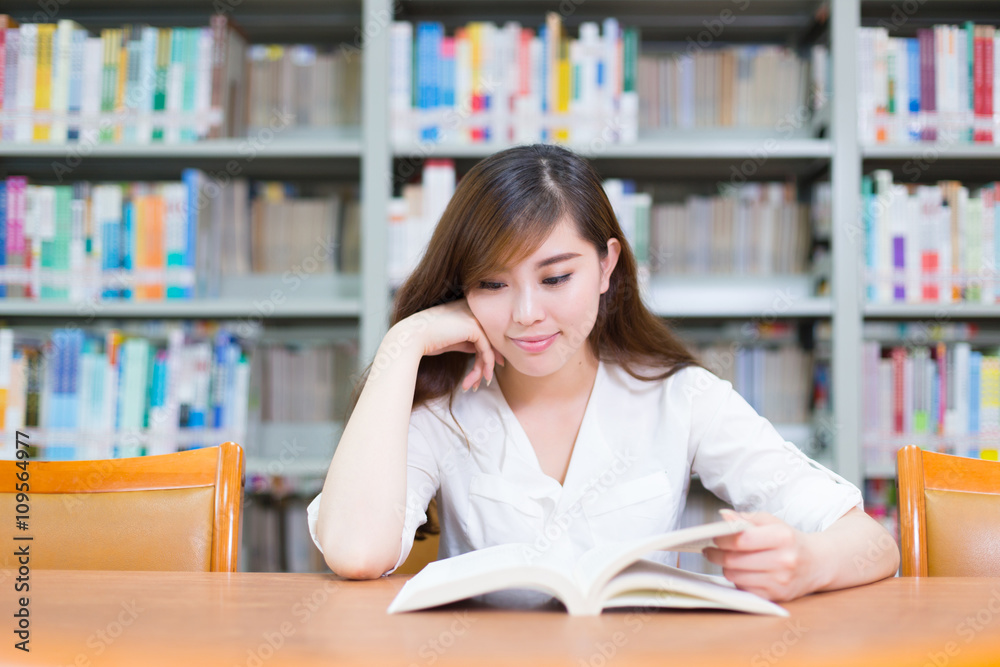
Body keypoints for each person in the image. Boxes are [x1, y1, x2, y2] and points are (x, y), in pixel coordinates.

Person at [307, 143, 900, 603]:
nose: (526, 315)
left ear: (606, 265)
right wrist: (404, 341)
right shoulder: (444, 408)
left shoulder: (679, 397)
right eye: (492, 284)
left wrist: (806, 562)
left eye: (556, 277)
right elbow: (357, 552)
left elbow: (873, 545)